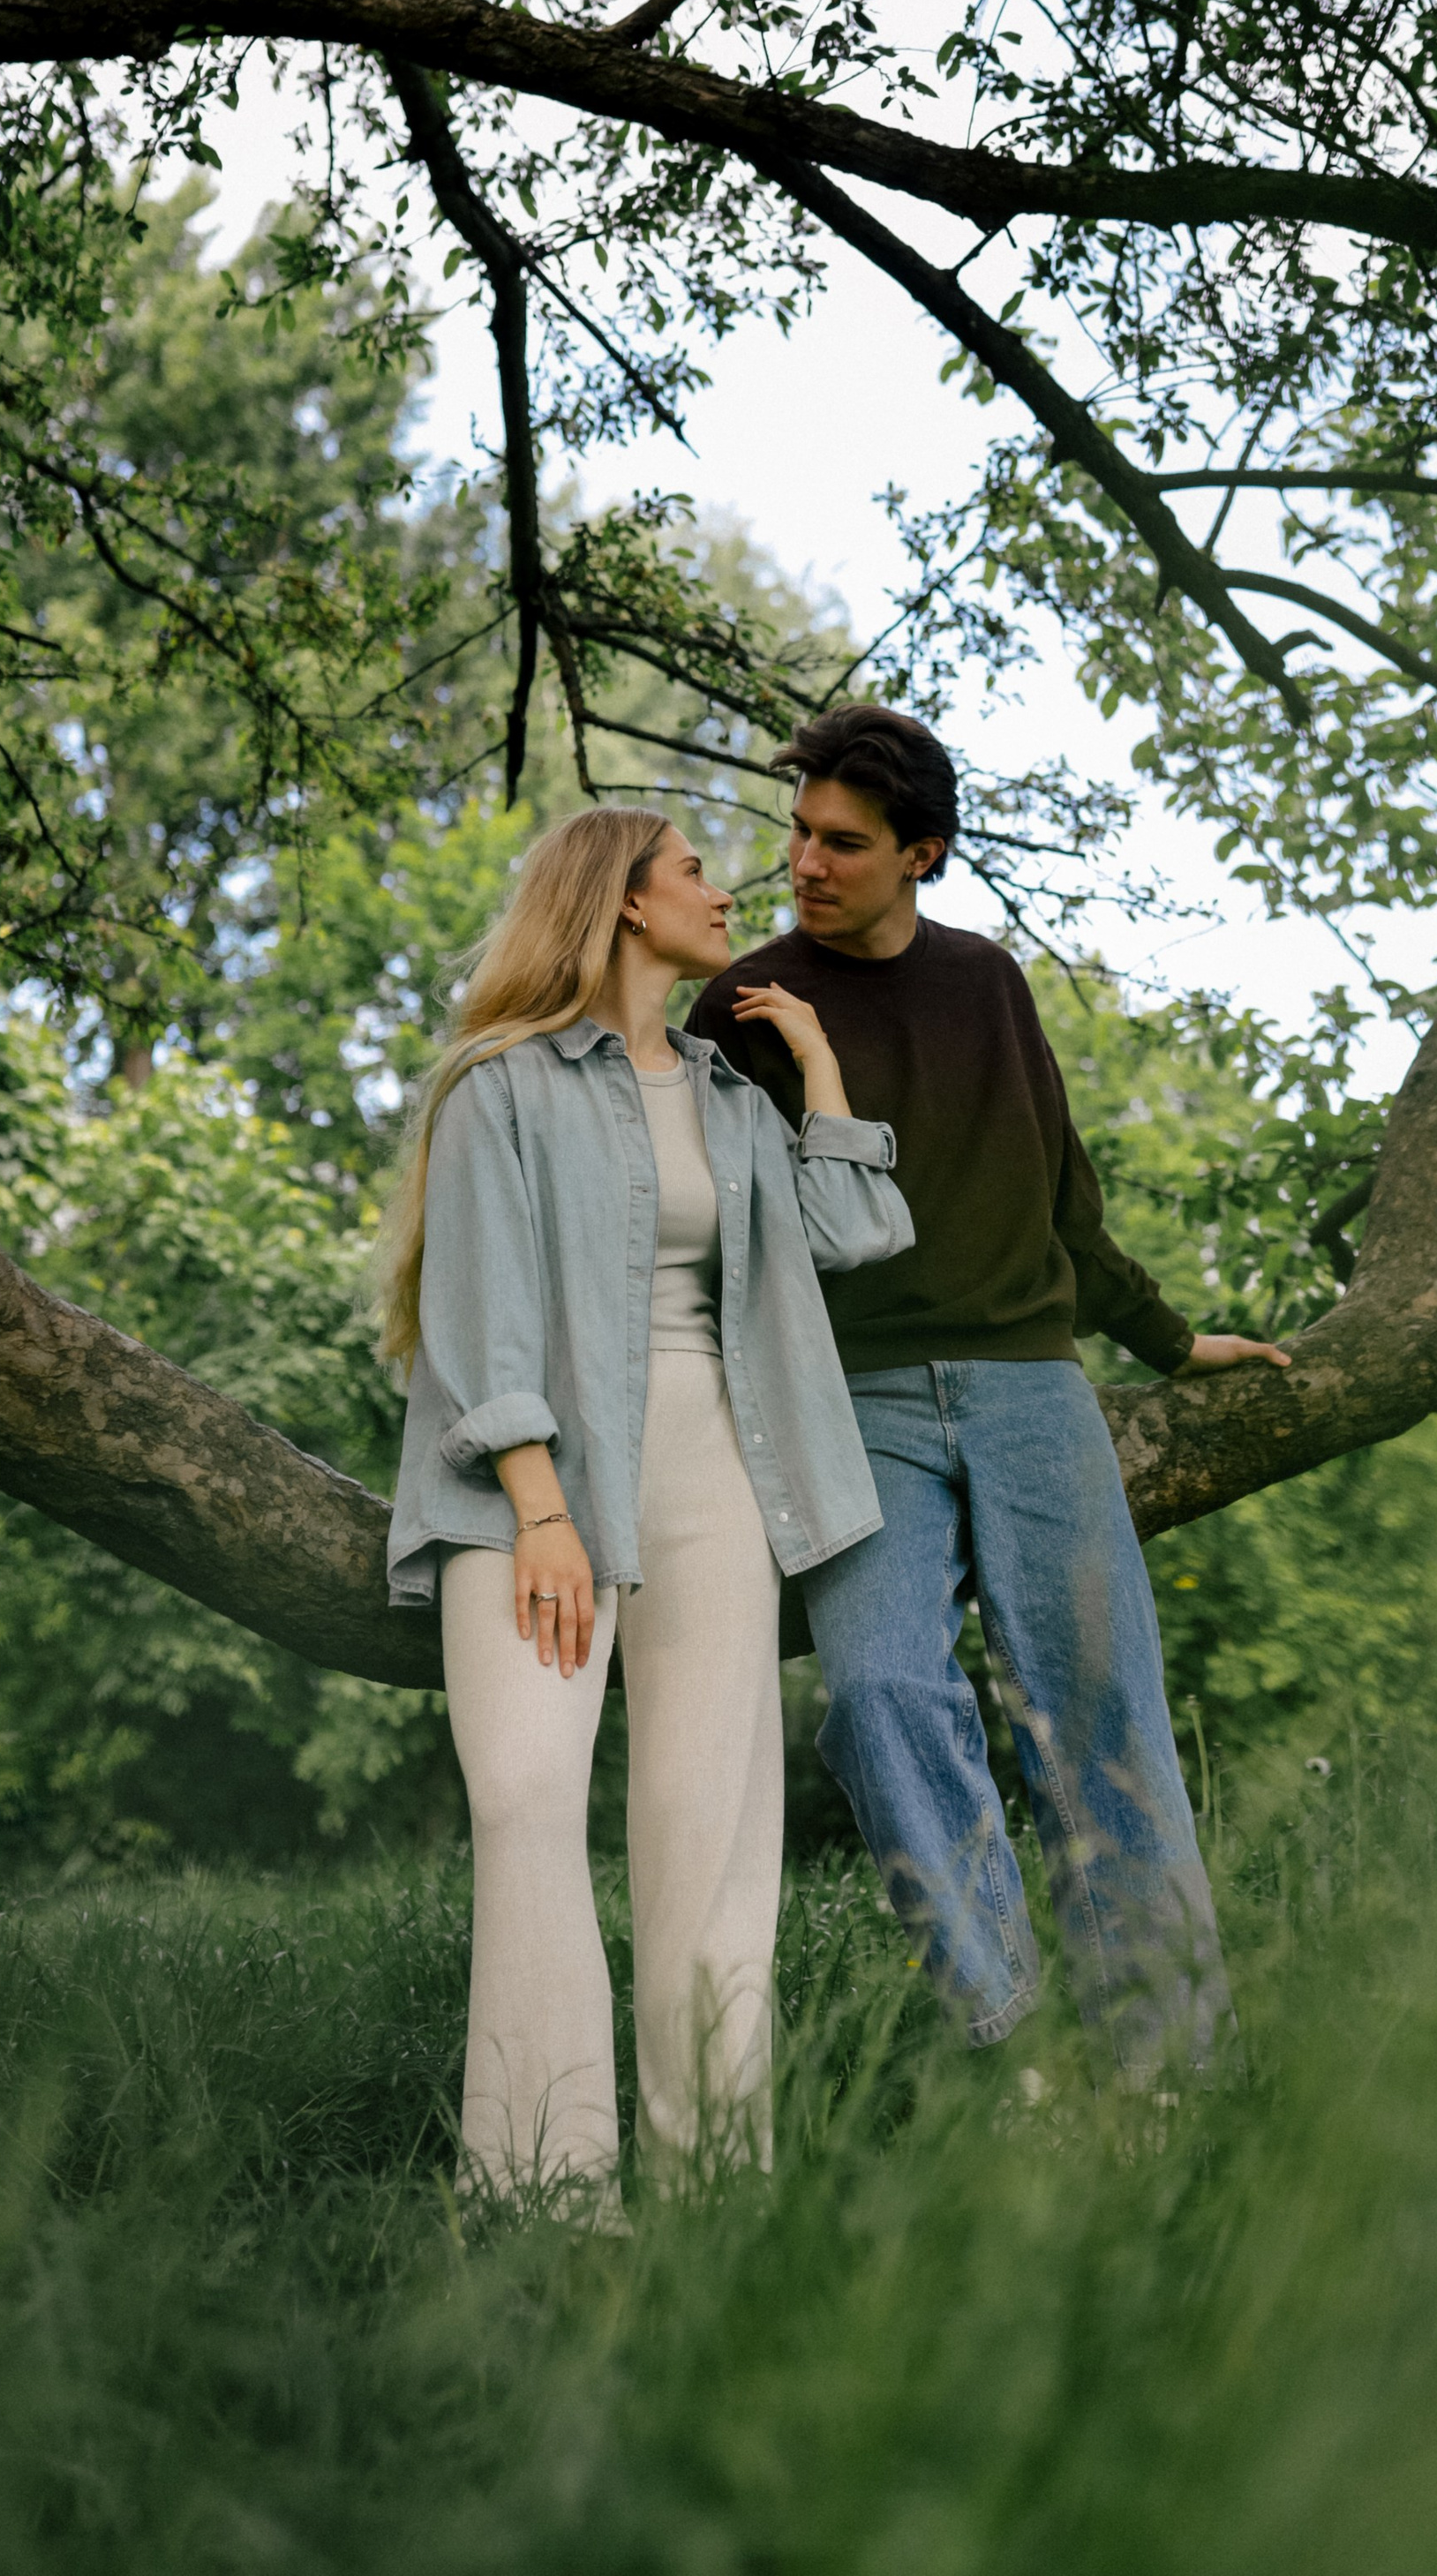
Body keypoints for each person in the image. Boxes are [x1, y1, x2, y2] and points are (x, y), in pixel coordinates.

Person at [690, 706, 1290, 2082]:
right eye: (799, 835)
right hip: (858, 1403)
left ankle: (1171, 2074)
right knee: (883, 1693)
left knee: (1103, 1716)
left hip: (1032, 1387)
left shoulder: (989, 984)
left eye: (843, 843)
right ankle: (1015, 2036)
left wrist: (1165, 1336)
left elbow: (1061, 1184)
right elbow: (700, 1226)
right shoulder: (741, 1006)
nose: (806, 864)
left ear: (925, 855)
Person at [377, 806, 911, 2219]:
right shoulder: (498, 1084)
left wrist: (814, 1062)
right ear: (620, 901)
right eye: (693, 871)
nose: (726, 890)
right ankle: (549, 2193)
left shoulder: (735, 1100)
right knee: (530, 1800)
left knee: (713, 1837)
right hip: (530, 1485)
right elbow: (473, 1312)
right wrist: (542, 1510)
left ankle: (716, 2191)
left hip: (718, 1475)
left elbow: (857, 1234)